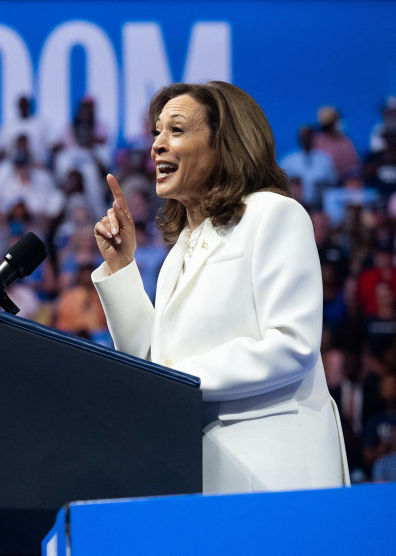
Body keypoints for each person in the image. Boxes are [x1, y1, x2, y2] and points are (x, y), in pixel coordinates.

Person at [91, 81, 349, 494]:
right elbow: (152, 363)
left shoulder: (274, 214)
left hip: (276, 473)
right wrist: (122, 268)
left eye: (175, 129)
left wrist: (174, 378)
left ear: (224, 144)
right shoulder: (179, 253)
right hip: (201, 473)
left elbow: (292, 344)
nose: (156, 144)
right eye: (157, 131)